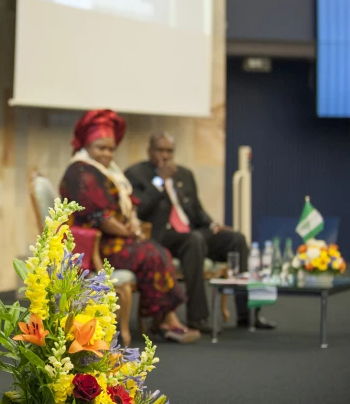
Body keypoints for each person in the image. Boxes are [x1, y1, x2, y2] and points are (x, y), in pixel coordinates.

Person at [59, 110, 199, 344]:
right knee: (153, 255)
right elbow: (98, 216)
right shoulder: (80, 171)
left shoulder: (105, 170)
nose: (107, 154)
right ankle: (165, 320)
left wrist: (130, 229)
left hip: (113, 239)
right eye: (100, 148)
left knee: (155, 251)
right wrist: (128, 231)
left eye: (111, 149)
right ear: (86, 146)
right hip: (93, 244)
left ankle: (164, 318)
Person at [125, 132, 276, 331]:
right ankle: (198, 318)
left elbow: (196, 210)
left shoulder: (184, 174)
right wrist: (160, 181)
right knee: (194, 240)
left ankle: (248, 315)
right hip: (161, 236)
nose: (165, 155)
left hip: (190, 232)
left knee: (236, 239)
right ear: (150, 151)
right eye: (160, 150)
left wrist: (213, 225)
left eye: (169, 151)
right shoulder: (136, 174)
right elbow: (140, 208)